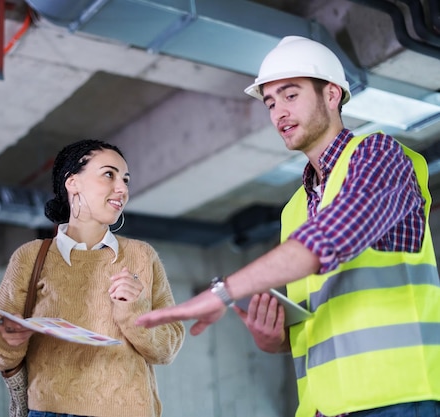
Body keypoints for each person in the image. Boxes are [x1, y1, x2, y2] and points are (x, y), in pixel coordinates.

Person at [136, 36, 440, 417]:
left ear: (331, 94)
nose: (278, 111)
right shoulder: (294, 209)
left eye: (290, 95)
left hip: (399, 399)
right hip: (322, 409)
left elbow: (330, 238)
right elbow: (318, 325)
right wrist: (277, 339)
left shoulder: (379, 155)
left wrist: (223, 293)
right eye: (270, 102)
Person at [0, 139, 185, 417]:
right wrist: (7, 339)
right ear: (73, 182)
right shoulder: (30, 257)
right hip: (49, 411)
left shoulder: (142, 255)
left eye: (125, 180)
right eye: (109, 175)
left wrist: (132, 311)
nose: (122, 188)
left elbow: (168, 349)